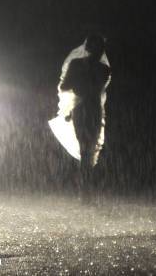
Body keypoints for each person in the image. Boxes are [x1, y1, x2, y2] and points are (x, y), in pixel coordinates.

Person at [59, 34, 111, 203]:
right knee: (85, 148)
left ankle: (86, 190)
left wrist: (82, 76)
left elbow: (96, 88)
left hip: (93, 109)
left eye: (102, 48)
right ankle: (85, 191)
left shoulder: (104, 69)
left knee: (89, 149)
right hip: (80, 108)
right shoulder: (76, 64)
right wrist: (79, 77)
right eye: (97, 47)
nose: (100, 51)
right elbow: (64, 85)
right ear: (89, 48)